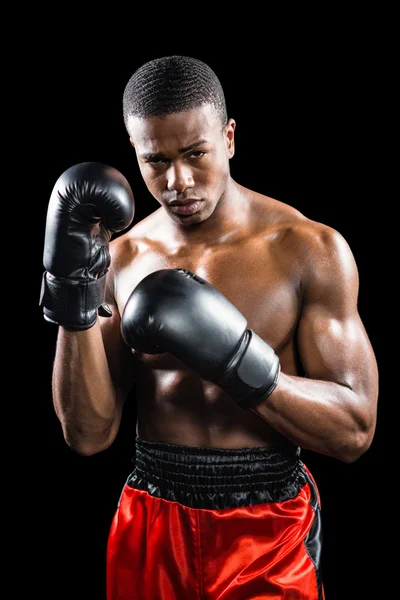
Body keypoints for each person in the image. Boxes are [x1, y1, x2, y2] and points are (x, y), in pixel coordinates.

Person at [40, 55, 379, 600]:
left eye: (196, 153)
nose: (178, 181)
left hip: (266, 529)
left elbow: (356, 432)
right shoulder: (121, 259)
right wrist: (73, 292)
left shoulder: (308, 251)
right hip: (151, 521)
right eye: (156, 161)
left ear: (229, 137)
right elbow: (87, 435)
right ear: (135, 152)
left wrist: (239, 358)